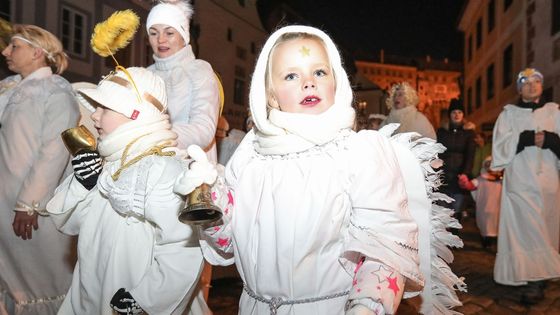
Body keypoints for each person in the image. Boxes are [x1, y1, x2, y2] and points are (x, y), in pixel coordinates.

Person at [175, 25, 464, 315]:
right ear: (271, 95)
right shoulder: (250, 156)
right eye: (291, 75)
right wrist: (211, 202)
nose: (309, 83)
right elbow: (229, 244)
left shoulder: (359, 153)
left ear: (336, 82)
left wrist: (366, 307)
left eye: (319, 72)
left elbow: (385, 246)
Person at [46, 67, 210, 315]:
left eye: (104, 109)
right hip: (92, 288)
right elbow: (70, 224)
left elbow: (182, 246)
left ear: (135, 114)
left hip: (133, 290)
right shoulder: (109, 161)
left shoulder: (162, 168)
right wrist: (83, 183)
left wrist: (146, 299)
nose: (95, 118)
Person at [0, 24, 78, 314]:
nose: (6, 51)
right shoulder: (9, 88)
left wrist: (30, 202)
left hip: (33, 207)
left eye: (14, 46)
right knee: (12, 277)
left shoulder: (56, 90)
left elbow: (55, 149)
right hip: (5, 200)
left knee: (41, 279)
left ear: (37, 52)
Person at [491, 68, 560, 304]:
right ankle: (535, 282)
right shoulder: (508, 115)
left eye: (536, 81)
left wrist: (551, 140)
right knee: (528, 229)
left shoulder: (554, 112)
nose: (531, 85)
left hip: (548, 182)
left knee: (545, 228)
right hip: (520, 181)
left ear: (542, 86)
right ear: (519, 89)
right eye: (525, 82)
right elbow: (499, 148)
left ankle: (534, 273)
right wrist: (525, 138)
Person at [146, 0, 220, 162]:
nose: (161, 40)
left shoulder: (199, 70)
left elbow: (203, 130)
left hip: (191, 170)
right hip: (149, 164)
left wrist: (153, 136)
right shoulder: (145, 75)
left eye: (169, 33)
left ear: (184, 35)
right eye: (153, 33)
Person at [436, 98, 476, 221]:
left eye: (459, 112)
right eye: (454, 112)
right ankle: (442, 237)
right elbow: (437, 152)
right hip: (444, 175)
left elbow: (470, 154)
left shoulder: (468, 133)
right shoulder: (442, 132)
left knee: (457, 209)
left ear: (463, 115)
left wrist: (465, 173)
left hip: (459, 176)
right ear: (449, 115)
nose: (457, 115)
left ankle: (454, 236)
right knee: (443, 210)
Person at [459, 156, 502, 250]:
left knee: (496, 226)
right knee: (485, 226)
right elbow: (470, 186)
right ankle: (486, 242)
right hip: (484, 208)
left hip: (498, 209)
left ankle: (490, 243)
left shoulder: (502, 181)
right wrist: (464, 182)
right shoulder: (480, 179)